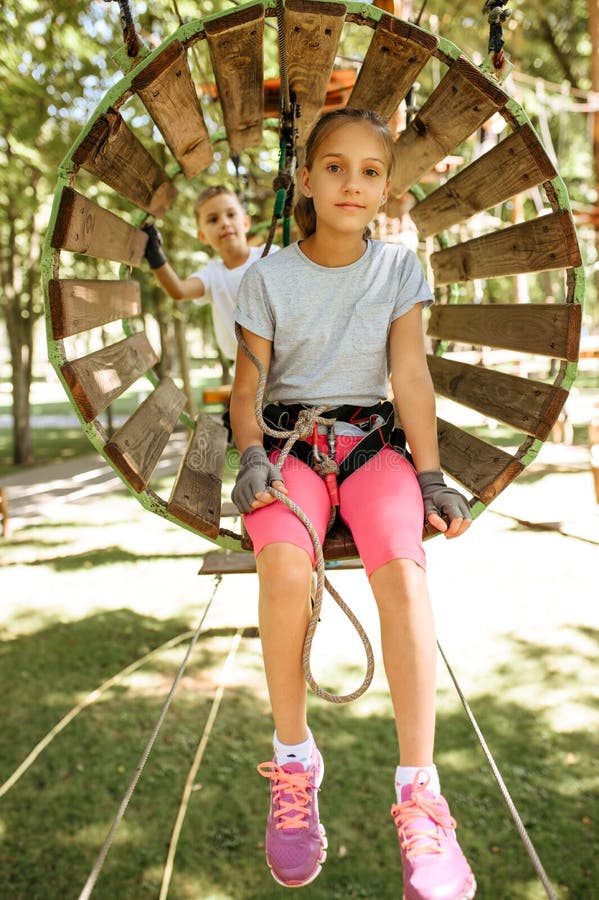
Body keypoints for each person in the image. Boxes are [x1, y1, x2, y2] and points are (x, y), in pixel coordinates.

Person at [230, 107, 476, 899]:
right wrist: (248, 457)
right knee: (281, 563)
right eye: (334, 166)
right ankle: (295, 763)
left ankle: (419, 792)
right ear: (305, 180)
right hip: (290, 448)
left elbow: (408, 376)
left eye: (370, 170)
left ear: (386, 189)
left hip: (371, 448)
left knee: (402, 572)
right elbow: (248, 387)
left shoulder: (399, 270)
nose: (352, 182)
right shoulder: (265, 277)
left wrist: (430, 474)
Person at [142, 185, 278, 366]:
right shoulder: (212, 275)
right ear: (202, 236)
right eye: (213, 220)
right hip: (243, 366)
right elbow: (179, 291)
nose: (224, 223)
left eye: (231, 215)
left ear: (246, 222)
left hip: (280, 355)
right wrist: (155, 256)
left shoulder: (270, 255)